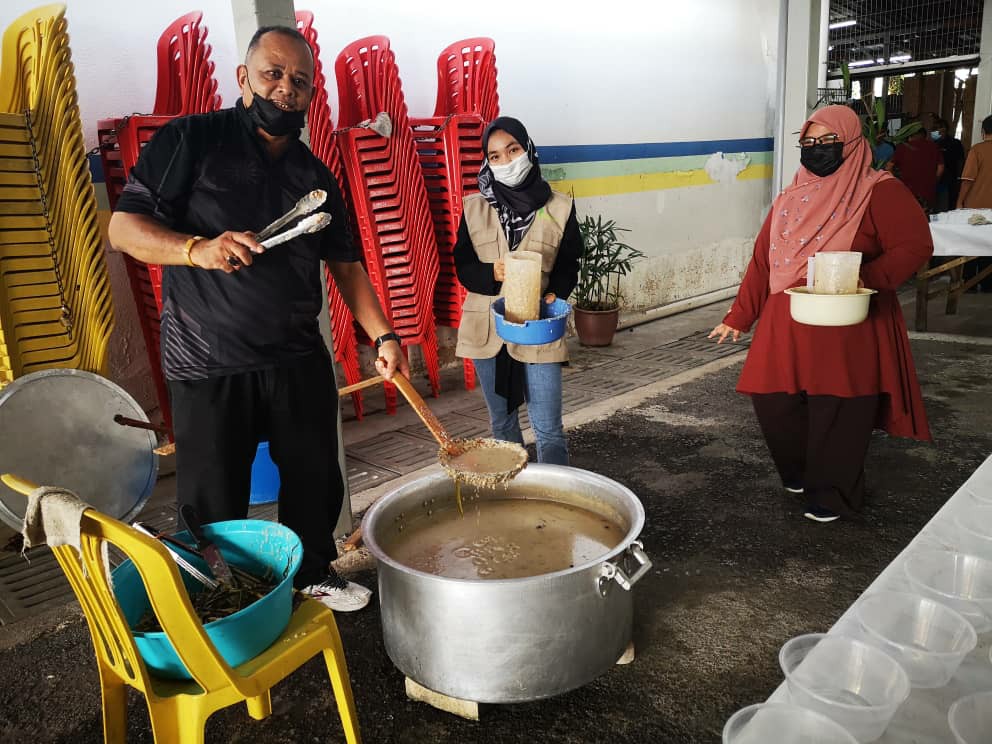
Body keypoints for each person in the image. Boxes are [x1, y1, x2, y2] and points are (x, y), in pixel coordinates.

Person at [108, 26, 409, 612]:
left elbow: (347, 267)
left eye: (300, 81)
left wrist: (386, 335)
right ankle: (215, 596)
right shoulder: (192, 140)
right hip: (207, 359)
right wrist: (197, 248)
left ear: (311, 95)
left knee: (316, 476)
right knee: (213, 495)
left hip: (296, 354)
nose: (286, 88)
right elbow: (124, 229)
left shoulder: (314, 177)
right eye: (273, 73)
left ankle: (312, 572)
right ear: (243, 78)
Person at [709, 105, 932, 523]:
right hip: (786, 318)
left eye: (827, 141)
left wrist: (859, 277)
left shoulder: (879, 190)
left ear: (850, 142)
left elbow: (915, 245)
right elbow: (764, 261)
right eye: (808, 143)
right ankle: (798, 472)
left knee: (839, 407)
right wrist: (739, 315)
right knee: (773, 399)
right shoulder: (791, 196)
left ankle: (830, 494)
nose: (816, 150)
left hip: (847, 318)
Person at [453, 117, 581, 465]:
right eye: (494, 156)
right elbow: (462, 263)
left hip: (538, 325)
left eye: (513, 150)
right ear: (487, 162)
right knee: (502, 421)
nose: (506, 161)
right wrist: (490, 273)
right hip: (488, 328)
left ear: (528, 150)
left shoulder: (559, 206)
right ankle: (516, 496)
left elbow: (570, 260)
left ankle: (554, 498)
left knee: (548, 427)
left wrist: (556, 291)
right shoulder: (474, 207)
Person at [887, 124, 944, 212]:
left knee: (908, 214)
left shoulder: (902, 147)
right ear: (924, 135)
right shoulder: (933, 146)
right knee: (927, 217)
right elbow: (940, 167)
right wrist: (934, 180)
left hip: (907, 190)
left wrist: (895, 181)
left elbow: (889, 167)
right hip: (928, 191)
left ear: (911, 135)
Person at [958, 114, 992, 209]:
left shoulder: (977, 150)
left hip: (977, 206)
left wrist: (959, 202)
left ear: (983, 131)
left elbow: (967, 181)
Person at [932, 117, 965, 212]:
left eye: (936, 128)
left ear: (944, 129)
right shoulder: (933, 144)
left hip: (950, 179)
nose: (934, 131)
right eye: (933, 129)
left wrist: (959, 177)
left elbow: (960, 161)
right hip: (935, 179)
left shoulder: (955, 143)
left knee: (948, 206)